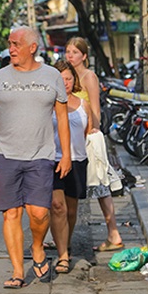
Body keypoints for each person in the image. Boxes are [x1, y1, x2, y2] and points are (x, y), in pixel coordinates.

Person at [0, 26, 71, 288]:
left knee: (39, 213)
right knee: (11, 214)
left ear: (32, 47)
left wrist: (67, 155)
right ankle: (18, 271)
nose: (11, 49)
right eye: (9, 43)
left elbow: (62, 118)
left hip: (41, 155)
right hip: (4, 154)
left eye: (16, 44)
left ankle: (38, 248)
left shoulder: (52, 76)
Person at [65, 37, 124, 251]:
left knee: (100, 184)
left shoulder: (89, 76)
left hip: (88, 138)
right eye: (68, 51)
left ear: (84, 56)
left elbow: (95, 109)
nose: (70, 55)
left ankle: (113, 233)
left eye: (74, 52)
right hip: (69, 139)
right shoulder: (65, 76)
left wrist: (91, 133)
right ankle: (63, 237)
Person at [50, 60, 93, 275]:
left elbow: (88, 133)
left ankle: (65, 242)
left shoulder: (83, 105)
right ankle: (63, 255)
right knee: (58, 207)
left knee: (72, 210)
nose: (65, 82)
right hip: (53, 160)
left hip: (77, 160)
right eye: (61, 79)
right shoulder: (47, 104)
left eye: (68, 78)